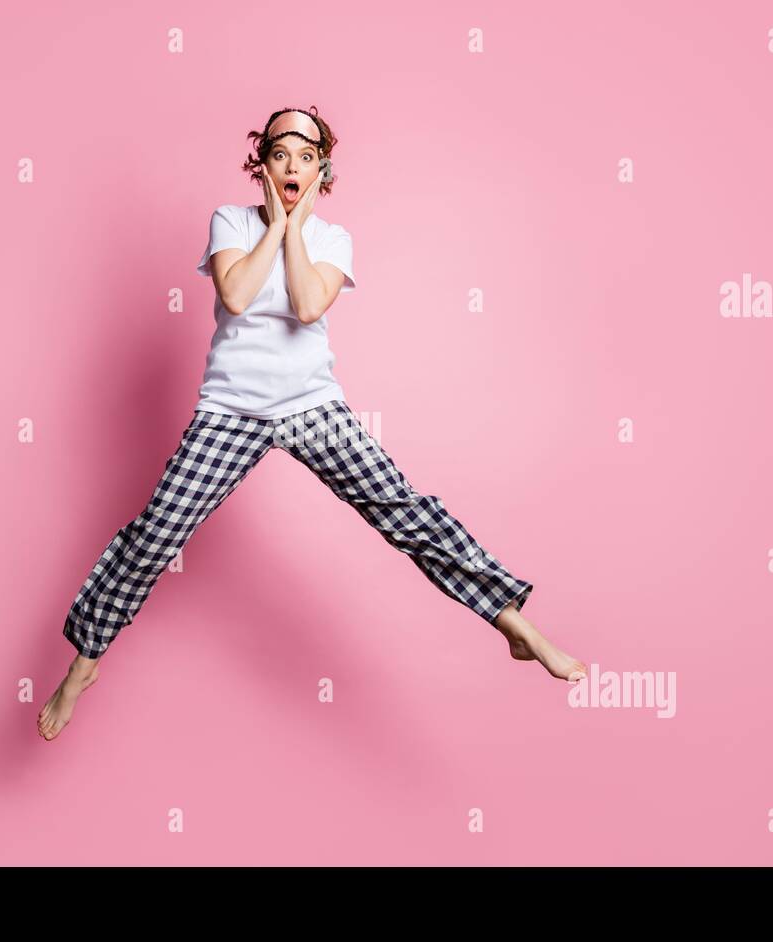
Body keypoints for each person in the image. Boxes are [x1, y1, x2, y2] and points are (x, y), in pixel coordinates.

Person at [39, 107, 586, 741]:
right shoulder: (231, 222)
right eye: (279, 152)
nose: (291, 164)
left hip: (311, 407)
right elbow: (238, 296)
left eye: (305, 153)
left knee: (404, 511)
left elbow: (305, 305)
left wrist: (296, 226)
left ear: (321, 167)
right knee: (156, 533)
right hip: (229, 413)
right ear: (262, 163)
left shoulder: (333, 239)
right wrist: (275, 223)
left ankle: (517, 627)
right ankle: (82, 666)